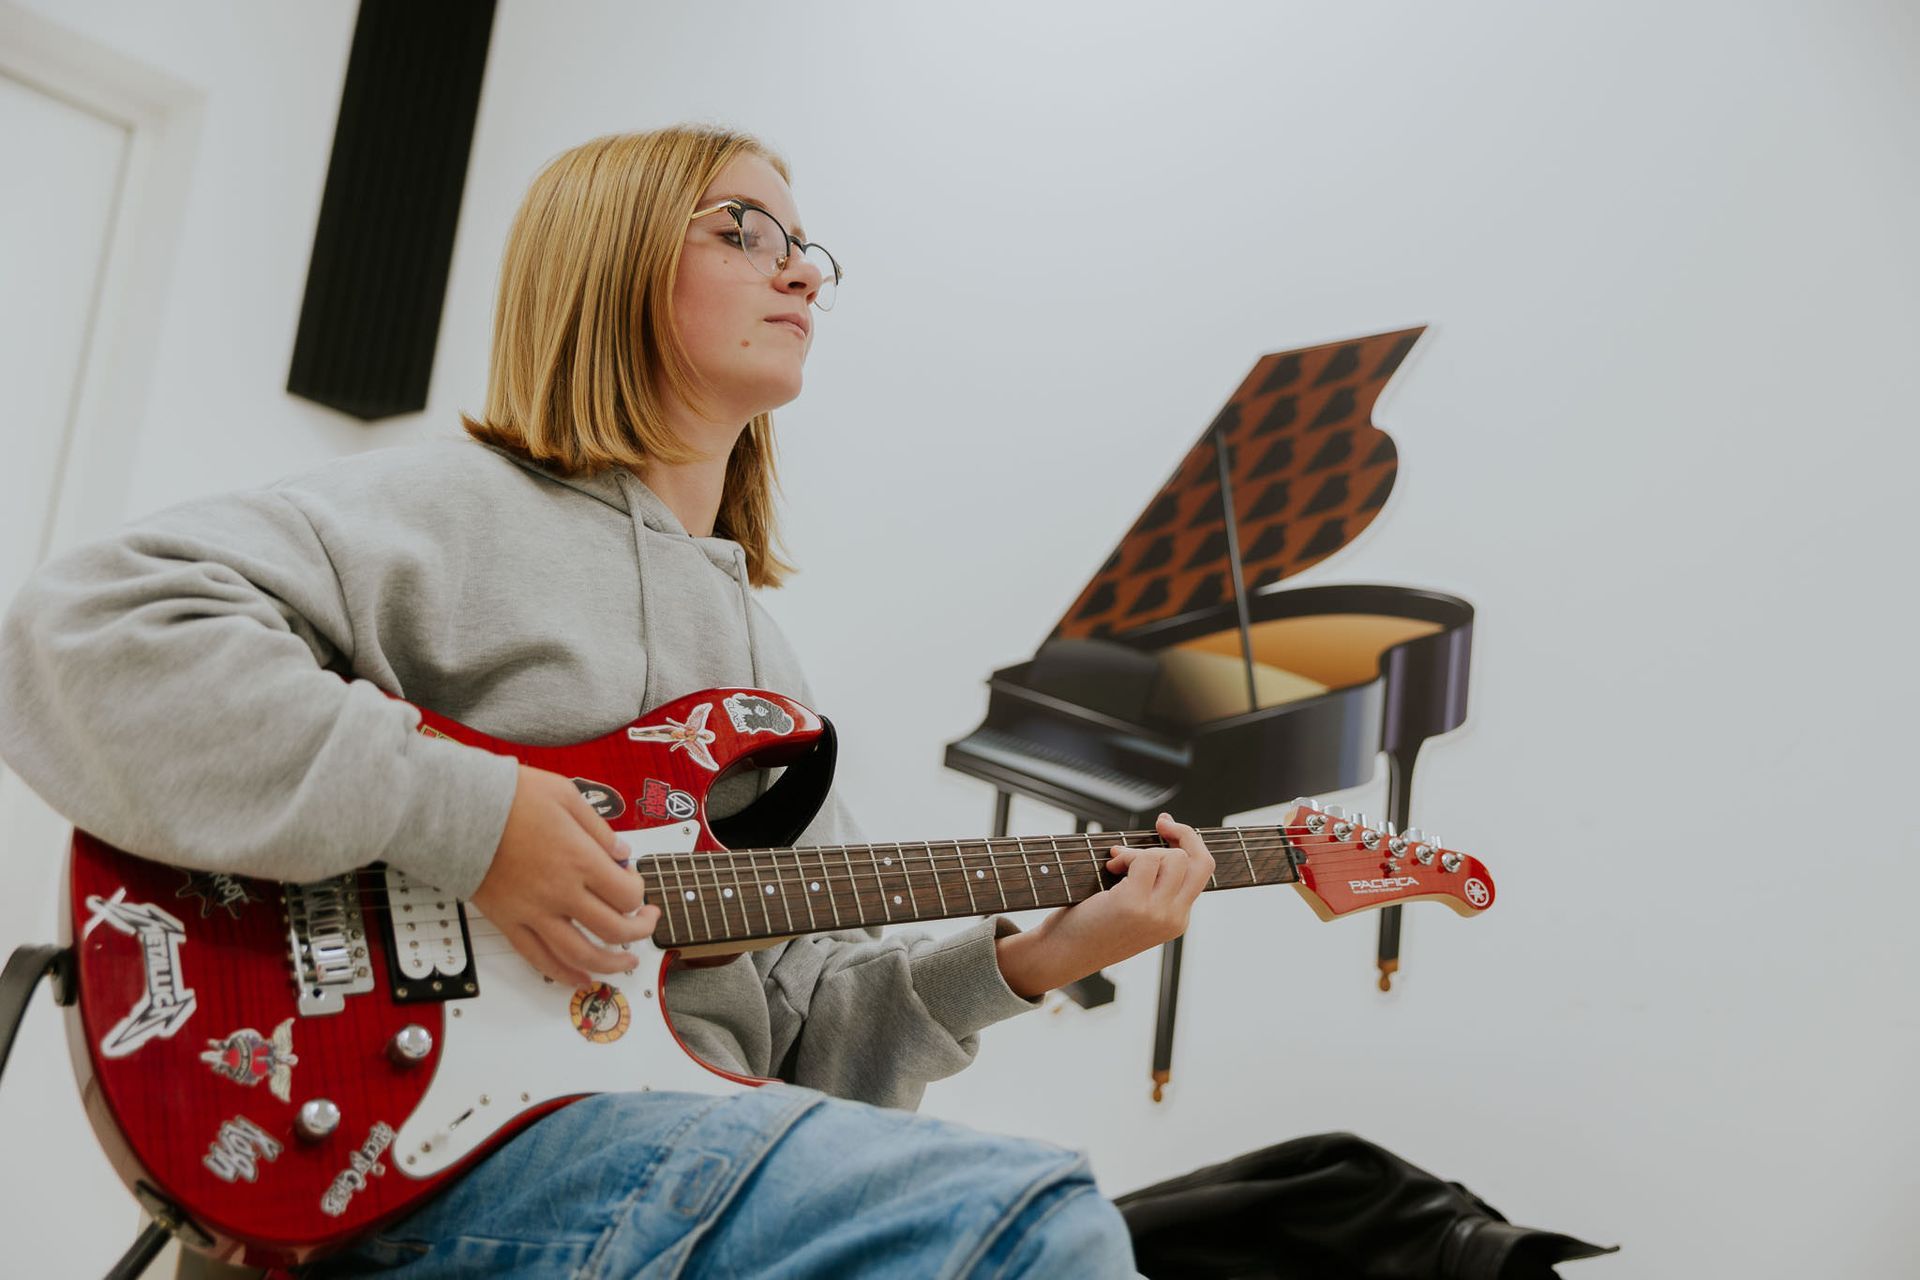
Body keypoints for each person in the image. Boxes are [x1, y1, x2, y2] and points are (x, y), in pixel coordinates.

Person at [0, 125, 1216, 1278]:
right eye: (743, 228)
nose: (798, 269)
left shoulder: (766, 671)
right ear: (611, 259)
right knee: (1035, 1228)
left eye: (806, 249)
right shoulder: (454, 511)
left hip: (667, 1135)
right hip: (439, 1152)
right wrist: (478, 818)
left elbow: (807, 1042)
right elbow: (85, 627)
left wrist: (1038, 955)